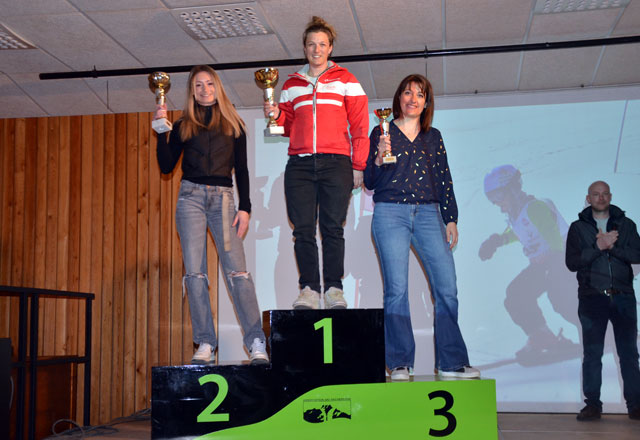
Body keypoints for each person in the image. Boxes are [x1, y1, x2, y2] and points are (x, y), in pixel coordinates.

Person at [363, 74, 479, 381]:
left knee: (447, 288)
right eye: (407, 92)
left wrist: (450, 218)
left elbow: (444, 178)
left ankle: (451, 363)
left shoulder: (433, 136)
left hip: (429, 213)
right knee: (396, 290)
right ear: (399, 98)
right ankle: (400, 363)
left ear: (426, 102)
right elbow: (369, 181)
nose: (412, 98)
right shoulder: (382, 131)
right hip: (390, 213)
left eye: (419, 94)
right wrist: (379, 157)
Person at [154, 65, 268, 365]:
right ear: (192, 92)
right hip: (190, 199)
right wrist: (161, 133)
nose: (204, 89)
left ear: (217, 87)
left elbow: (242, 169)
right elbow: (166, 166)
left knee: (238, 272)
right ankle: (205, 342)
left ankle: (256, 341)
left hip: (223, 201)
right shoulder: (183, 125)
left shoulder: (233, 123)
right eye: (198, 85)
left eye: (209, 84)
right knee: (195, 274)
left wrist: (245, 208)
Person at [263, 16, 369, 310]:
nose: (316, 49)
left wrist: (359, 165)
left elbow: (360, 126)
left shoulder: (347, 80)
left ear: (330, 48)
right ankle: (309, 289)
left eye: (322, 44)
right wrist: (276, 114)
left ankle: (334, 288)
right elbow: (287, 126)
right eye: (311, 44)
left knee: (333, 228)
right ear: (305, 48)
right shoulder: (291, 84)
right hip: (299, 165)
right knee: (303, 230)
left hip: (337, 163)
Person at [480, 165, 580, 362]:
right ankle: (542, 337)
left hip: (564, 259)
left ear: (513, 189)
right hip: (546, 265)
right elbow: (522, 232)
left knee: (562, 300)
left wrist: (554, 264)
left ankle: (606, 331)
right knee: (516, 295)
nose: (496, 202)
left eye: (498, 195)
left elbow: (555, 238)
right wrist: (498, 241)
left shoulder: (536, 208)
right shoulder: (518, 213)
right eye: (492, 198)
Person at [566, 180, 640, 421]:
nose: (601, 198)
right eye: (596, 194)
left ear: (610, 196)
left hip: (624, 297)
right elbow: (572, 262)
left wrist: (613, 247)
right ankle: (593, 405)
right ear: (588, 198)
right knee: (592, 354)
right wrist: (598, 245)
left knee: (629, 353)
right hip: (592, 298)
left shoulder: (626, 225)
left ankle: (636, 405)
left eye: (605, 193)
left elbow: (638, 254)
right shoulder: (578, 228)